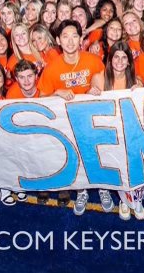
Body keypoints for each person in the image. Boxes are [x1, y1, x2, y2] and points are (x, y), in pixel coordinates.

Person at [38, 20, 105, 215]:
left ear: (81, 39)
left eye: (74, 36)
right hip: (65, 125)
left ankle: (103, 187)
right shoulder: (51, 68)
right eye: (65, 36)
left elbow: (102, 86)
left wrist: (95, 90)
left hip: (90, 121)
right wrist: (56, 93)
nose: (70, 41)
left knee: (96, 155)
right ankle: (82, 190)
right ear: (58, 40)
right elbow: (41, 100)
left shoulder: (93, 61)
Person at [91, 42, 144, 220]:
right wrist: (90, 94)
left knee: (135, 163)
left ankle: (136, 198)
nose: (120, 61)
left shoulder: (136, 81)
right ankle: (125, 200)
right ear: (110, 59)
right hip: (109, 133)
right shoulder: (98, 78)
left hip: (130, 132)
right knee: (118, 165)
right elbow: (92, 110)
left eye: (124, 58)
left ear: (129, 61)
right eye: (116, 57)